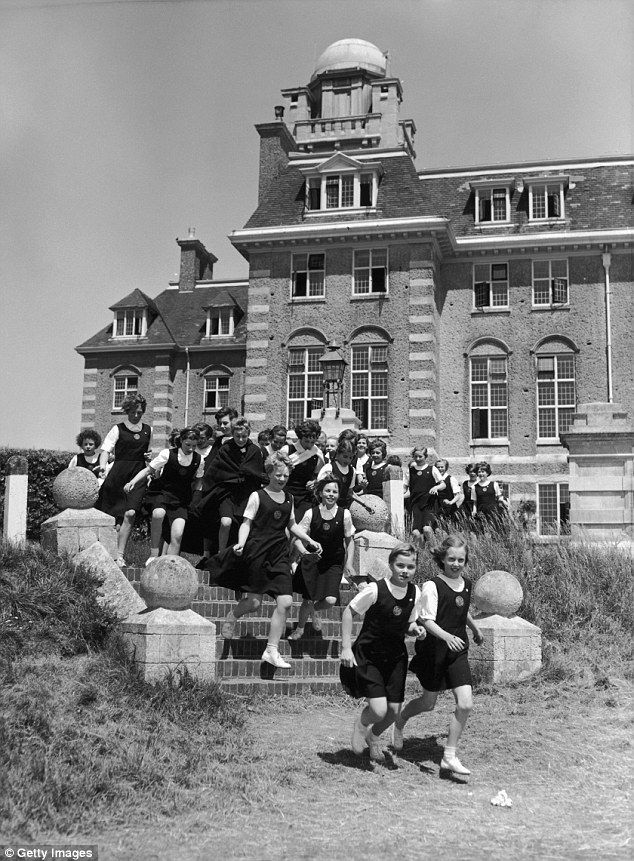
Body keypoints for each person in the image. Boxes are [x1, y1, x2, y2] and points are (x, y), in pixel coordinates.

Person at [208, 452, 322, 669]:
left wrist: (309, 539)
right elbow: (246, 523)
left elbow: (292, 525)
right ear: (269, 473)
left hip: (279, 555)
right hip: (257, 552)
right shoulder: (257, 496)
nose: (282, 479)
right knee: (254, 603)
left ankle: (271, 649)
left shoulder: (289, 498)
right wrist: (241, 542)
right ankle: (233, 616)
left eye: (286, 475)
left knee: (286, 602)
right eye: (278, 475)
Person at [393, 534, 483, 776]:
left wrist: (474, 629)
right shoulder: (432, 585)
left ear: (466, 561)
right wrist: (446, 637)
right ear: (442, 559)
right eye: (451, 559)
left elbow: (460, 609)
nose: (456, 564)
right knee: (428, 703)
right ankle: (400, 721)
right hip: (435, 650)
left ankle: (449, 756)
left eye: (460, 560)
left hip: (457, 650)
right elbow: (426, 619)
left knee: (465, 703)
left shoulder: (467, 583)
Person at [340, 543, 425, 762]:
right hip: (369, 655)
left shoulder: (415, 592)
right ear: (391, 565)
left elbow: (409, 622)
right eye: (400, 565)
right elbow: (349, 612)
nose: (405, 571)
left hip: (396, 657)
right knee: (378, 710)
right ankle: (361, 726)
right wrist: (346, 647)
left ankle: (374, 736)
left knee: (394, 710)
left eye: (410, 566)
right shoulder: (376, 589)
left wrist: (415, 629)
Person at [289, 476, 355, 640]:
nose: (331, 494)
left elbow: (350, 541)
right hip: (314, 562)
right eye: (328, 491)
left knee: (331, 600)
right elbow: (297, 540)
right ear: (320, 493)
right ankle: (299, 629)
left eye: (335, 491)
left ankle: (316, 611)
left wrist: (349, 563)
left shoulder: (344, 514)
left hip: (334, 563)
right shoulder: (311, 513)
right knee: (308, 600)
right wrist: (304, 554)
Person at [125, 427, 200, 561]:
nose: (191, 448)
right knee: (158, 514)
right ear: (181, 441)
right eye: (188, 445)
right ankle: (153, 554)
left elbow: (199, 479)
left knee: (177, 534)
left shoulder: (199, 459)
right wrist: (132, 482)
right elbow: (148, 470)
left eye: (194, 446)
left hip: (181, 499)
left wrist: (196, 496)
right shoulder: (167, 454)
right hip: (162, 492)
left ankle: (171, 563)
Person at [97, 394, 152, 567]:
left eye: (140, 412)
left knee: (131, 513)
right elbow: (106, 450)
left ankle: (120, 555)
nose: (137, 415)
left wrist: (149, 457)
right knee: (114, 517)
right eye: (134, 412)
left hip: (137, 475)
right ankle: (108, 552)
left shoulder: (148, 430)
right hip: (118, 474)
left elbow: (148, 454)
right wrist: (103, 466)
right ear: (127, 411)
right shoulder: (117, 429)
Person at [204, 417, 265, 552]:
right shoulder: (225, 448)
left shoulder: (254, 450)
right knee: (226, 522)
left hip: (246, 494)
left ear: (248, 434)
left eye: (244, 436)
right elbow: (214, 471)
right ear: (232, 433)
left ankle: (240, 553)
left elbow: (258, 473)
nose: (241, 439)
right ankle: (221, 554)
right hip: (227, 493)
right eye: (237, 436)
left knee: (243, 524)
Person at [403, 447, 445, 546]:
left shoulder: (432, 469)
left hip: (429, 504)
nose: (417, 459)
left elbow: (443, 485)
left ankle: (435, 549)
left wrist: (436, 488)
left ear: (425, 457)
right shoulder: (410, 471)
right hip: (415, 504)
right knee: (415, 533)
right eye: (415, 456)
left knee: (427, 529)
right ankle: (420, 552)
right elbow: (404, 488)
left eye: (420, 456)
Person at [286, 419, 324, 520]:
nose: (309, 445)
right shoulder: (287, 450)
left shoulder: (317, 454)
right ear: (300, 438)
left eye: (313, 442)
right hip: (287, 494)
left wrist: (314, 482)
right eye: (306, 441)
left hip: (305, 497)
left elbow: (317, 476)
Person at [317, 438, 357, 507]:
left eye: (350, 457)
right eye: (345, 456)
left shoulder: (352, 471)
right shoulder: (329, 468)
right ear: (338, 454)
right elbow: (319, 490)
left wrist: (364, 503)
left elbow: (350, 493)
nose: (347, 460)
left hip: (342, 508)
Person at [472, 461, 509, 531]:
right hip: (481, 513)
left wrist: (505, 502)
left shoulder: (494, 484)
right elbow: (475, 502)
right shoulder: (474, 487)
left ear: (487, 473)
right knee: (481, 532)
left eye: (483, 472)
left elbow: (499, 497)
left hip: (493, 512)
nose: (481, 474)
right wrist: (474, 510)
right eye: (479, 472)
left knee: (494, 531)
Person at [435, 459, 464, 525]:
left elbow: (458, 495)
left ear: (446, 468)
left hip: (449, 508)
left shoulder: (451, 479)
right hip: (437, 507)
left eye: (442, 467)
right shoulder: (434, 479)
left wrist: (451, 502)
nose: (440, 469)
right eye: (438, 467)